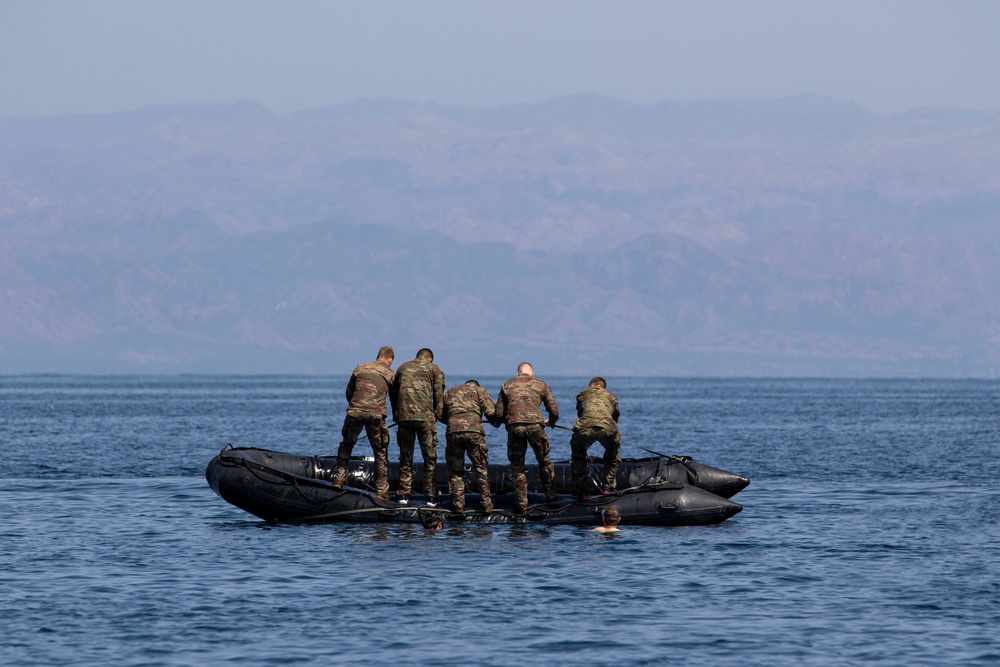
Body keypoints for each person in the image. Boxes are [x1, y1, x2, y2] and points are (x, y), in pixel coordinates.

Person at [331, 346, 396, 501]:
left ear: (377, 356)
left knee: (347, 444)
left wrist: (356, 406)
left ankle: (339, 480)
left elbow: (349, 391)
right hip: (375, 415)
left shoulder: (360, 367)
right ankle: (381, 490)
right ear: (390, 360)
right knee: (380, 451)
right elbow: (395, 398)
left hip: (355, 412)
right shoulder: (390, 374)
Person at [494, 361, 559, 514]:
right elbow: (554, 410)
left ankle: (521, 503)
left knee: (517, 466)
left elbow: (498, 413)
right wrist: (552, 422)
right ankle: (550, 496)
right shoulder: (541, 384)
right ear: (532, 373)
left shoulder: (506, 385)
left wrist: (501, 421)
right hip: (535, 426)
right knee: (544, 461)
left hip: (515, 427)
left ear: (517, 373)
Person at [391, 348, 446, 505]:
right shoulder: (433, 369)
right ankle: (431, 496)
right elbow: (438, 394)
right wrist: (438, 415)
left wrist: (397, 414)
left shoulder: (402, 367)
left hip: (404, 417)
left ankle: (403, 494)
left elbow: (394, 394)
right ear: (430, 359)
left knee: (405, 456)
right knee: (429, 457)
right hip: (424, 418)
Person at [440, 379, 500, 515]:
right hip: (474, 432)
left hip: (453, 432)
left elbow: (439, 413)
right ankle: (486, 504)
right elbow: (491, 412)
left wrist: (452, 421)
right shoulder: (480, 391)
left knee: (456, 471)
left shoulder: (450, 392)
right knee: (481, 468)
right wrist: (495, 422)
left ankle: (458, 504)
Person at [570, 377, 621, 502]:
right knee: (612, 454)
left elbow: (580, 412)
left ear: (591, 385)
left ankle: (582, 492)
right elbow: (616, 417)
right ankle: (608, 487)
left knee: (578, 456)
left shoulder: (582, 394)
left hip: (585, 426)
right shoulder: (612, 396)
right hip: (607, 427)